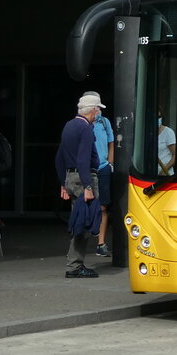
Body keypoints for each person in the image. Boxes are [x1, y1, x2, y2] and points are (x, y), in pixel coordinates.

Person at [56, 93, 103, 278]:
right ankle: (74, 266)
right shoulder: (85, 129)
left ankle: (74, 264)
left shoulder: (68, 126)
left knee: (79, 219)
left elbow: (59, 158)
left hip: (71, 177)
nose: (98, 113)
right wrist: (88, 186)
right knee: (84, 221)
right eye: (98, 109)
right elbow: (84, 160)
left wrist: (63, 183)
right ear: (92, 110)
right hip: (84, 178)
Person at [83, 91, 114, 257]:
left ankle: (101, 243)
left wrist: (110, 163)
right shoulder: (82, 123)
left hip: (102, 168)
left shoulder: (104, 122)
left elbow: (111, 142)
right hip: (87, 169)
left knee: (103, 206)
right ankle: (81, 242)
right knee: (86, 205)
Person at [157, 110, 176, 176]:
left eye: (159, 116)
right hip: (150, 176)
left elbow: (174, 155)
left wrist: (163, 171)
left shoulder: (168, 132)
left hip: (165, 175)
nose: (158, 119)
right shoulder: (147, 133)